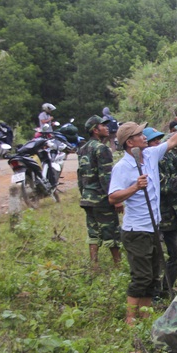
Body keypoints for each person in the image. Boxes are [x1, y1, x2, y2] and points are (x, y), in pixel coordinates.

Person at [108, 106, 177, 325]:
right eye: (139, 135)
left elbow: (173, 141)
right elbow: (113, 197)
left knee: (154, 274)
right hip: (136, 231)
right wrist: (135, 187)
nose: (143, 136)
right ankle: (130, 319)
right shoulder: (123, 167)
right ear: (130, 142)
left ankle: (145, 317)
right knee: (141, 276)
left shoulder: (150, 154)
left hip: (153, 227)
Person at [144, 125, 177, 296]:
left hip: (173, 217)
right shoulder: (147, 163)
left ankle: (166, 288)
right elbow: (166, 186)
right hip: (155, 218)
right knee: (155, 258)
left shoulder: (168, 156)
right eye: (152, 141)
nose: (157, 143)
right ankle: (154, 292)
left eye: (158, 139)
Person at [77, 115, 122, 270]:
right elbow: (106, 176)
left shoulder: (82, 149)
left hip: (87, 198)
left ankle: (94, 264)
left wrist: (83, 193)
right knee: (112, 231)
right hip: (101, 198)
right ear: (95, 130)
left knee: (93, 231)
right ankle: (118, 265)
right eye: (103, 126)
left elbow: (80, 175)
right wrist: (114, 198)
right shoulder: (102, 149)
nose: (107, 127)